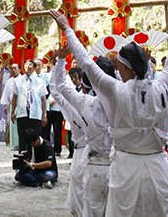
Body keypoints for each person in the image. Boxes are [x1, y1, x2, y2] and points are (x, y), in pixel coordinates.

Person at [53, 0, 168, 217]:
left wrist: (67, 29)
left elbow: (86, 63)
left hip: (126, 168)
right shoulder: (163, 86)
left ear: (124, 67)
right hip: (158, 166)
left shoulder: (115, 91)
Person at [47, 47, 112, 217]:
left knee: (86, 204)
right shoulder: (120, 100)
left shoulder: (82, 103)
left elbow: (57, 88)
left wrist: (60, 61)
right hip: (115, 159)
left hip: (87, 155)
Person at [9, 59, 46, 153]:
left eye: (30, 64)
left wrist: (44, 114)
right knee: (22, 136)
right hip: (22, 112)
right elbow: (14, 96)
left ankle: (37, 158)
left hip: (35, 112)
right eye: (26, 64)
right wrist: (13, 111)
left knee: (35, 136)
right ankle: (23, 160)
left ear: (34, 68)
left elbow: (43, 99)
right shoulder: (18, 80)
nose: (28, 66)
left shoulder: (40, 81)